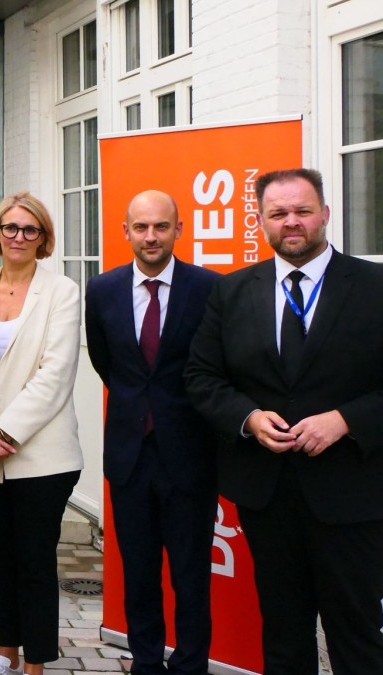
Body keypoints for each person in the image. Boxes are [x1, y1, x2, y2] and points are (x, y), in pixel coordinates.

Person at [185, 168, 383, 674]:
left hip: (352, 491)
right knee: (283, 631)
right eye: (278, 213)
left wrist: (345, 419)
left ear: (325, 214)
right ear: (261, 221)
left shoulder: (374, 286)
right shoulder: (231, 292)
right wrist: (248, 418)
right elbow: (201, 375)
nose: (291, 222)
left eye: (302, 210)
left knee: (357, 635)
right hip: (267, 493)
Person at [84, 191, 219, 675]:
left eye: (161, 227)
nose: (150, 237)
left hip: (190, 457)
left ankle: (189, 665)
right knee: (138, 575)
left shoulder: (208, 288)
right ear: (125, 232)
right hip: (128, 456)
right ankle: (144, 663)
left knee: (190, 577)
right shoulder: (101, 289)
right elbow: (108, 364)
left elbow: (214, 366)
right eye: (141, 227)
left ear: (178, 230)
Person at [0, 192, 83, 675]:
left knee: (34, 560)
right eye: (11, 228)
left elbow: (56, 372)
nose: (19, 237)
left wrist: (5, 430)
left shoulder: (63, 291)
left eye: (30, 229)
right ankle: (6, 653)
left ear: (43, 238)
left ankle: (37, 662)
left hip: (42, 455)